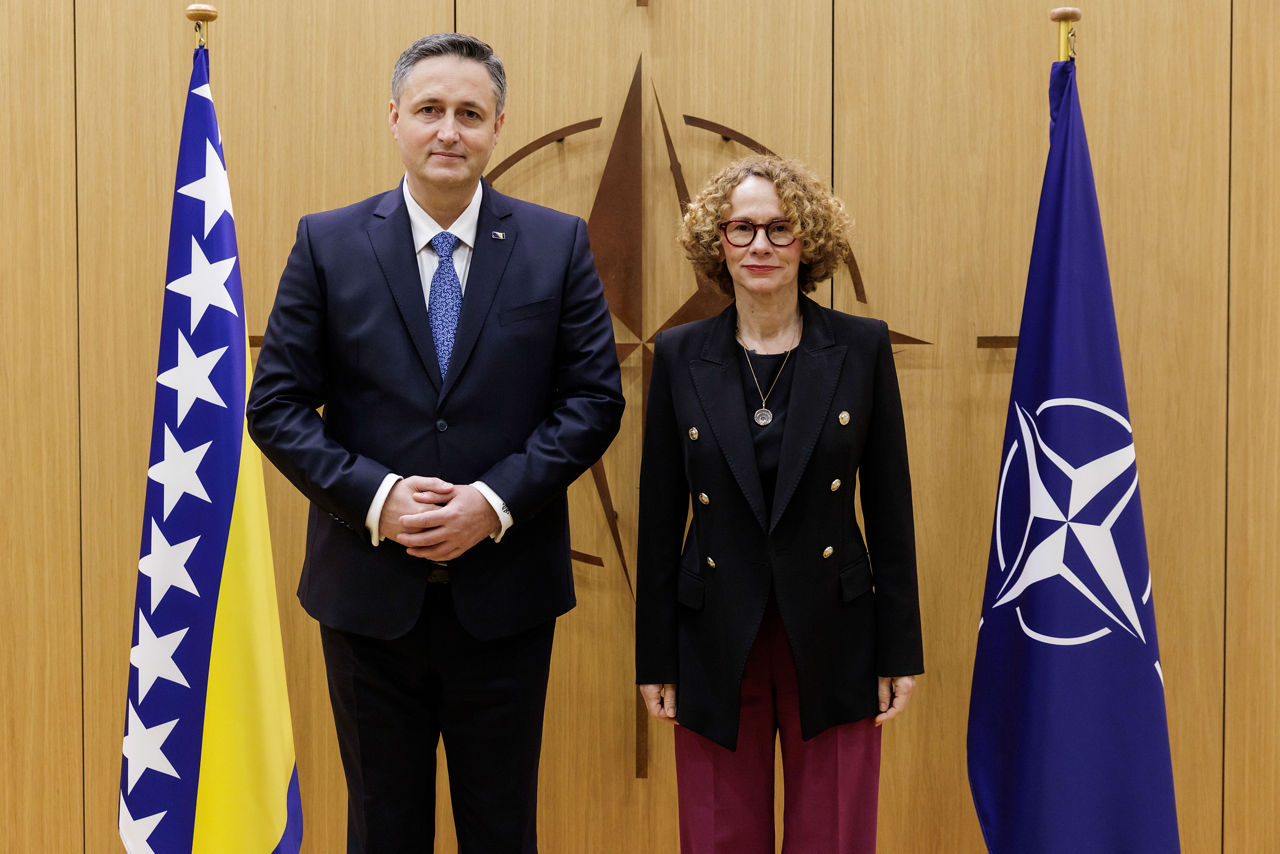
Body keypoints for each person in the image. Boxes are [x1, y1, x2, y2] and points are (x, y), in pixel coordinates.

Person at [247, 33, 624, 854]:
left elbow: (594, 400)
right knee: (383, 831)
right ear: (394, 119)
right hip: (367, 597)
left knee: (501, 829)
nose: (448, 130)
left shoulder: (556, 245)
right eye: (429, 111)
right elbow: (273, 406)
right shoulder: (328, 242)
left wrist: (492, 504)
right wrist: (377, 497)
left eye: (468, 113)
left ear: (496, 126)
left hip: (507, 599)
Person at [635, 154, 923, 853]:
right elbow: (659, 515)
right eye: (740, 229)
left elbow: (890, 509)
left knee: (833, 833)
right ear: (717, 243)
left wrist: (900, 648)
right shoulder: (679, 354)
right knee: (718, 832)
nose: (759, 246)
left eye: (779, 229)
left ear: (809, 241)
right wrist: (655, 659)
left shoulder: (860, 347)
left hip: (835, 627)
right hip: (712, 632)